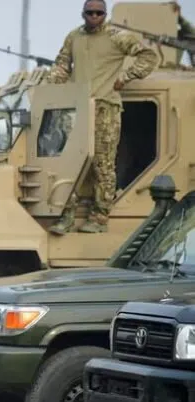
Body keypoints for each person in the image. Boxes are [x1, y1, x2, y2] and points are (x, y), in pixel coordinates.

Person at [47, 0, 158, 234]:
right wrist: (51, 83)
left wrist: (127, 76)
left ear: (105, 15)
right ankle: (66, 215)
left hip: (105, 107)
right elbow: (62, 64)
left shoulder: (117, 37)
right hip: (76, 108)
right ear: (83, 14)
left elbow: (148, 56)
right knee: (68, 164)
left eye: (99, 13)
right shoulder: (73, 37)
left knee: (103, 165)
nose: (94, 16)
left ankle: (99, 218)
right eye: (90, 12)